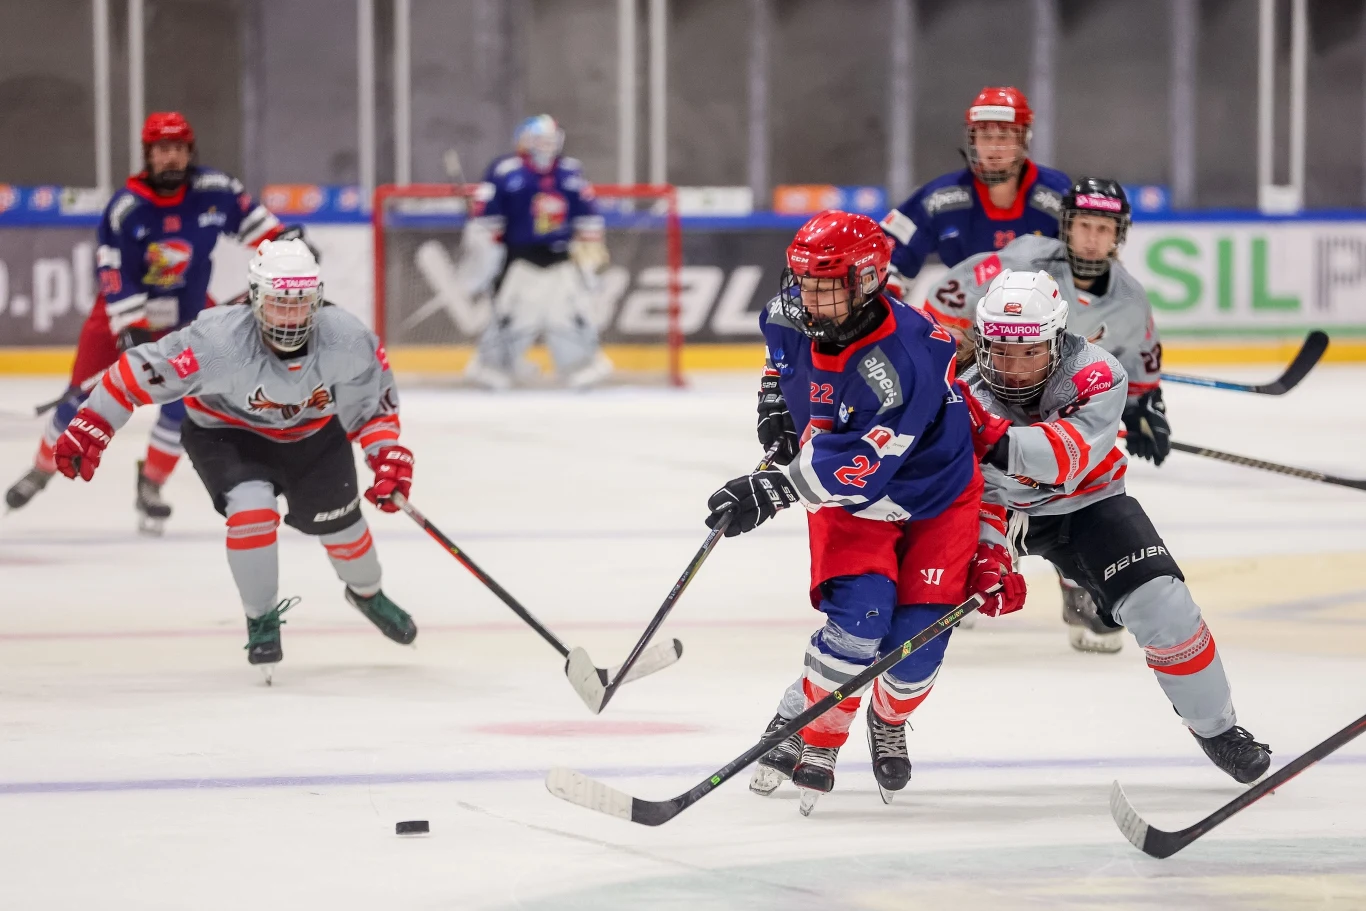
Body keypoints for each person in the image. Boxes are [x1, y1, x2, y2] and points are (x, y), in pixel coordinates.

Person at [703, 210, 1027, 815]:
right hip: (842, 492)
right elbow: (781, 361)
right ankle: (810, 727)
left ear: (870, 280)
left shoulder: (906, 360)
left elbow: (860, 471)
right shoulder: (786, 313)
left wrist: (772, 490)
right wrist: (775, 403)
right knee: (860, 622)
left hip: (931, 497)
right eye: (804, 281)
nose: (811, 297)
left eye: (828, 286)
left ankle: (888, 716)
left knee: (913, 655)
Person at [50, 239, 415, 681]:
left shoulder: (349, 340)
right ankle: (261, 618)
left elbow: (370, 411)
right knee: (252, 512)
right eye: (279, 304)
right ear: (256, 299)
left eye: (299, 304)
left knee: (343, 526)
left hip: (313, 438)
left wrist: (385, 456)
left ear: (316, 300)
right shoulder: (216, 341)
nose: (289, 317)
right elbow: (134, 373)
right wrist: (95, 422)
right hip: (227, 436)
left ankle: (366, 593)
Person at [964, 268, 1271, 784]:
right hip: (1000, 511)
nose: (1013, 368)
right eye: (1000, 351)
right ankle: (849, 719)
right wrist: (989, 549)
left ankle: (1216, 729)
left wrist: (990, 437)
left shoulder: (1096, 373)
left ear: (1057, 339)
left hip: (1090, 507)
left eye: (1029, 351)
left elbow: (1067, 461)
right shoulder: (961, 390)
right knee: (916, 605)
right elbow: (971, 491)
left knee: (1164, 606)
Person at [5, 111, 307, 534]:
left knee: (182, 403)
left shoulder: (216, 191)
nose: (171, 157)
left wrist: (287, 251)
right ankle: (42, 468)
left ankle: (151, 484)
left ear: (190, 153)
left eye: (178, 149)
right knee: (80, 400)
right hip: (119, 315)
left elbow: (259, 228)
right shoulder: (128, 207)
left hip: (187, 313)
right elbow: (110, 269)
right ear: (148, 154)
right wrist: (131, 322)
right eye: (162, 149)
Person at [923, 178, 1169, 652]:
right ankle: (962, 568)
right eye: (1083, 226)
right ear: (1066, 227)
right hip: (996, 398)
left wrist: (1145, 406)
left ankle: (1079, 580)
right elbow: (943, 302)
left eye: (1104, 227)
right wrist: (958, 353)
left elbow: (1141, 357)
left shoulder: (1131, 300)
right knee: (971, 485)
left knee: (1077, 487)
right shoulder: (1018, 265)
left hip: (1068, 413)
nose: (1092, 237)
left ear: (1119, 235)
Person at [461, 115, 613, 390]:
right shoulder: (505, 170)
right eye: (539, 139)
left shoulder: (571, 171)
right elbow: (487, 222)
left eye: (550, 140)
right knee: (511, 317)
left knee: (569, 315)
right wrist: (486, 257)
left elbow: (588, 219)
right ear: (523, 140)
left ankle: (579, 366)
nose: (545, 146)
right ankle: (492, 366)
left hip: (561, 260)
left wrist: (589, 262)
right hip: (519, 260)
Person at [879, 86, 1071, 303]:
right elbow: (887, 258)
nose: (994, 148)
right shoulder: (940, 199)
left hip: (1040, 323)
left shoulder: (1058, 194)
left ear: (1023, 140)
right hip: (962, 321)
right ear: (973, 141)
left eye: (1005, 136)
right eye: (985, 136)